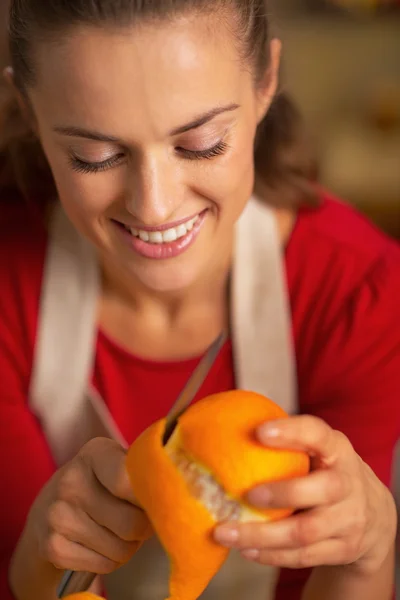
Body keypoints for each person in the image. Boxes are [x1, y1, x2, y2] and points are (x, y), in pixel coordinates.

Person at [0, 1, 399, 599]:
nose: (154, 207)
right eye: (96, 156)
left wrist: (368, 556)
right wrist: (36, 559)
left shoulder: (360, 294)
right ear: (30, 111)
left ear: (265, 82)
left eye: (203, 144)